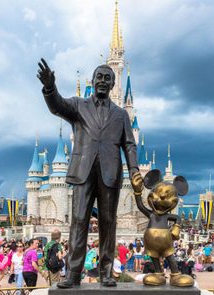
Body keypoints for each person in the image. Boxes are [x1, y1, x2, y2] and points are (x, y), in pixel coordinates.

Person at [37, 58, 141, 288]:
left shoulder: (121, 114)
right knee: (79, 221)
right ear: (93, 81)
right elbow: (57, 106)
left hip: (110, 173)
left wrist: (134, 168)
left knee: (108, 223)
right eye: (99, 77)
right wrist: (49, 88)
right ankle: (73, 274)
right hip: (83, 173)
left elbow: (130, 144)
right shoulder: (78, 105)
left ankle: (106, 273)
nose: (103, 81)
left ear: (113, 83)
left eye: (107, 78)